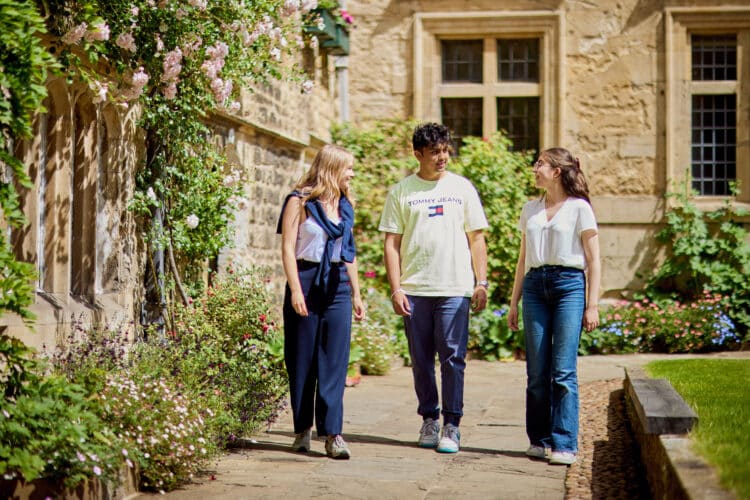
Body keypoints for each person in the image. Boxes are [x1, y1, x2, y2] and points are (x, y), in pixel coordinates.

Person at [379, 123, 489, 454]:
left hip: (455, 286)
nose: (442, 157)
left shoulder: (462, 188)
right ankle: (430, 418)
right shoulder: (402, 191)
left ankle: (452, 424)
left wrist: (480, 281)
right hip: (415, 289)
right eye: (434, 152)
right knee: (421, 359)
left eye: (445, 150)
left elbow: (477, 237)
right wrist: (396, 289)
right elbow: (391, 244)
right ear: (418, 155)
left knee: (453, 357)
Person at [507, 147, 601, 466]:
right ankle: (539, 439)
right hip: (535, 286)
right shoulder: (530, 208)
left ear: (557, 171)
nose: (535, 169)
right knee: (536, 372)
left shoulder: (579, 208)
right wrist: (513, 302)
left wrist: (593, 305)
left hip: (569, 286)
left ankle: (564, 442)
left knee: (563, 370)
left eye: (540, 164)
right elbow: (522, 259)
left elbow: (594, 260)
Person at [277, 144, 365, 460]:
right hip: (306, 278)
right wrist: (296, 290)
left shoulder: (345, 205)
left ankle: (332, 434)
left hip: (337, 283)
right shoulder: (298, 201)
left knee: (334, 360)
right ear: (331, 168)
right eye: (348, 168)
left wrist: (356, 292)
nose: (352, 174)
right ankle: (302, 429)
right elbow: (288, 248)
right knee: (301, 359)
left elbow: (348, 252)